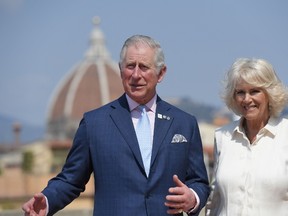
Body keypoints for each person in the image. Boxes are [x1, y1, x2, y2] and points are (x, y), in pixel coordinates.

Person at [22, 35, 210, 216]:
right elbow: (71, 179)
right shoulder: (94, 124)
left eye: (144, 67)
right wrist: (47, 201)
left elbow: (199, 181)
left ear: (161, 73)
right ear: (121, 70)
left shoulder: (184, 123)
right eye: (130, 66)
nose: (136, 75)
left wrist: (193, 198)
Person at [205, 58, 288, 216]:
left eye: (254, 91)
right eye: (240, 92)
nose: (247, 99)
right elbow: (215, 201)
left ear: (269, 93)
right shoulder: (222, 137)